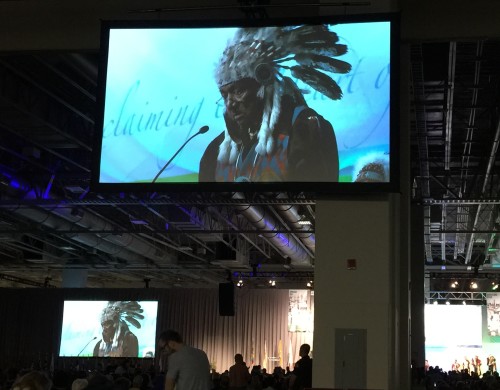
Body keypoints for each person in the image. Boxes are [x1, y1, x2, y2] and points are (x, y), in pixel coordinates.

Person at [199, 24, 351, 183]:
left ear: (264, 86)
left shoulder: (303, 129)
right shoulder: (215, 151)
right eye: (224, 95)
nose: (230, 104)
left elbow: (318, 198)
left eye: (238, 91)